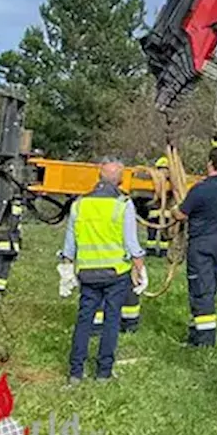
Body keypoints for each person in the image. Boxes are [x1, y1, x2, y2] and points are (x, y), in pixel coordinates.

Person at [59, 159, 147, 383]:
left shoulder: (79, 204)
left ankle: (75, 372)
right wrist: (141, 269)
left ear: (99, 177)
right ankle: (103, 372)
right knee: (111, 320)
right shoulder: (123, 204)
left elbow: (70, 242)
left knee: (84, 320)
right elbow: (131, 243)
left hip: (87, 272)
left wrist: (67, 268)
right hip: (115, 273)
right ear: (120, 180)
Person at [173, 147, 217, 347]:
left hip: (202, 244)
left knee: (201, 291)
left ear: (209, 164)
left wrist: (172, 210)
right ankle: (197, 331)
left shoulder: (200, 189)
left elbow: (181, 214)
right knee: (209, 286)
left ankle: (204, 340)